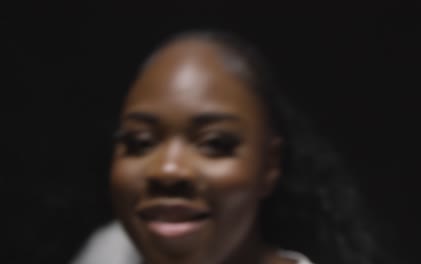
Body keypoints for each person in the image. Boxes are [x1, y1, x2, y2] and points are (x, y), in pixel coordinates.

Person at [71, 30, 384, 264]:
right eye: (139, 143)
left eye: (214, 143)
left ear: (269, 166)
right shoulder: (110, 251)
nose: (168, 169)